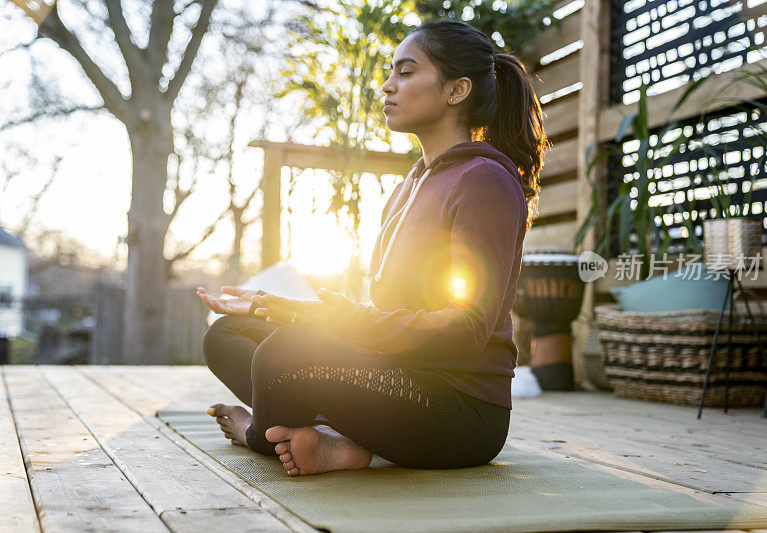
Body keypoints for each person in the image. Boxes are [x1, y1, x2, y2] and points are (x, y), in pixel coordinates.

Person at [196, 19, 548, 477]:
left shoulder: (483, 181)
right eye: (391, 72)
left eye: (406, 72)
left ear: (456, 90)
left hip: (455, 412)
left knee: (286, 353)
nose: (387, 85)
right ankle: (339, 441)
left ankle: (262, 435)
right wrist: (276, 306)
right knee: (226, 335)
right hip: (393, 377)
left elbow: (466, 326)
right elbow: (382, 315)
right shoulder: (409, 187)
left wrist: (328, 319)